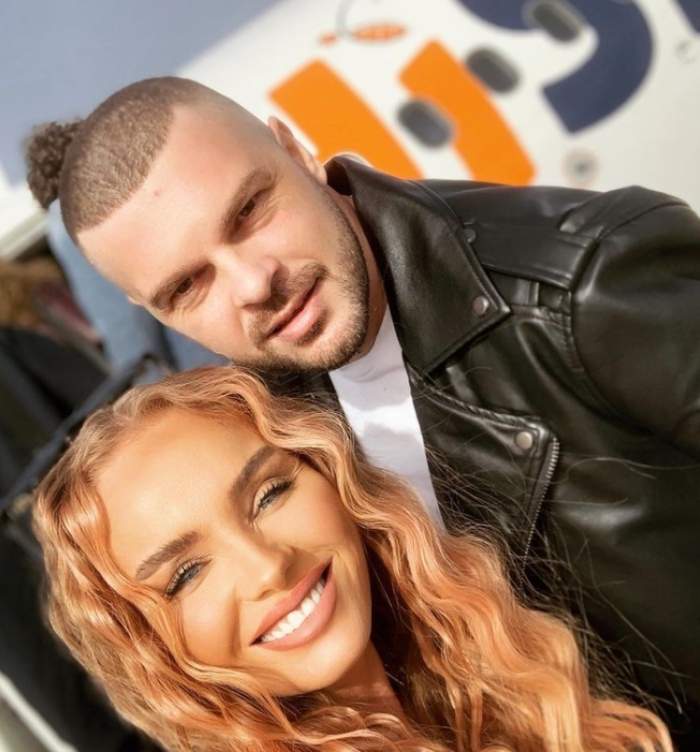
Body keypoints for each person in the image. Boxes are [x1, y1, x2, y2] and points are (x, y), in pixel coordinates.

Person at [24, 77, 700, 745]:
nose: (254, 283)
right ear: (153, 310)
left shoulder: (583, 282)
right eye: (188, 285)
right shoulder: (261, 420)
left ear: (297, 150)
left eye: (249, 212)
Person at [33, 365, 672, 752]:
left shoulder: (500, 662)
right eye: (187, 574)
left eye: (269, 494)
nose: (266, 566)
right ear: (147, 648)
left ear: (334, 478)